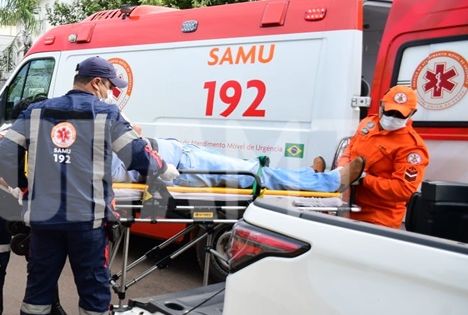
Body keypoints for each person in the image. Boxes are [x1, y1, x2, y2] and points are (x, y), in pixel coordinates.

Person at [0, 56, 171, 315]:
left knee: (37, 292)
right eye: (109, 87)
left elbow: (5, 152)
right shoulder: (106, 115)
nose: (111, 94)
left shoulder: (35, 112)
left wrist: (24, 185)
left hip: (45, 221)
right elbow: (137, 158)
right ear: (96, 83)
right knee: (92, 293)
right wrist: (162, 169)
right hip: (87, 223)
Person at [0, 97, 76, 315]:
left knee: (44, 260)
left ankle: (53, 308)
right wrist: (13, 186)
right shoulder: (10, 134)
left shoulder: (55, 137)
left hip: (35, 206)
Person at [112, 138, 365, 193]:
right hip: (181, 165)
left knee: (249, 167)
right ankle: (331, 182)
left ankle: (307, 175)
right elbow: (137, 151)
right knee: (252, 174)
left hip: (182, 153)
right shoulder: (99, 161)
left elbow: (136, 133)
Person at [337, 85, 429, 228]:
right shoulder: (368, 123)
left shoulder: (412, 148)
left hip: (378, 217)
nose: (392, 117)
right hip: (349, 207)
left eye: (399, 114)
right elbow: (351, 146)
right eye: (389, 111)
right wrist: (342, 166)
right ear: (381, 105)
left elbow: (403, 190)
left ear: (412, 113)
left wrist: (364, 179)